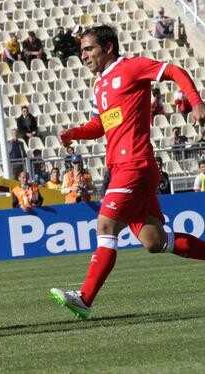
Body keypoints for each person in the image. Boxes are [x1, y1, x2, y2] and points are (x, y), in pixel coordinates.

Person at [50, 25, 205, 319]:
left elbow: (173, 70)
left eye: (89, 49)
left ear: (108, 47)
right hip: (127, 167)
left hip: (133, 165)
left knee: (105, 226)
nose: (83, 56)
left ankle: (84, 298)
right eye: (82, 50)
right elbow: (102, 125)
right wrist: (74, 133)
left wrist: (195, 101)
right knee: (154, 241)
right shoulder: (99, 86)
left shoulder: (132, 68)